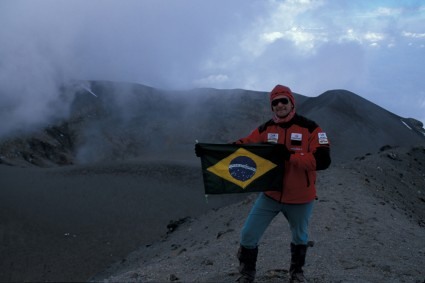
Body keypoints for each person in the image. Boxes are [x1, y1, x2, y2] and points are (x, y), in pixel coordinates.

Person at [233, 84, 331, 283]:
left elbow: (323, 161)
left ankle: (296, 274)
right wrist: (212, 151)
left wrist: (290, 155)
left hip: (301, 198)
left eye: (283, 101)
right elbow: (245, 144)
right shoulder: (266, 128)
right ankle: (246, 274)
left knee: (300, 238)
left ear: (291, 103)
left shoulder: (311, 128)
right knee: (248, 234)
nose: (279, 105)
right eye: (275, 102)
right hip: (270, 195)